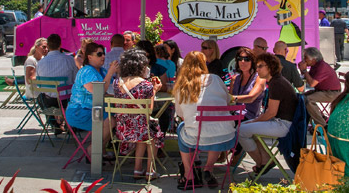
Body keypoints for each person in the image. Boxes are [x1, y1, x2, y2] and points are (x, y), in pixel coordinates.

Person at [174, 51, 236, 190]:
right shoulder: (215, 79)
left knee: (182, 128)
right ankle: (208, 169)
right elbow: (227, 101)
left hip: (196, 138)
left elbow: (180, 114)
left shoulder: (182, 86)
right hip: (227, 137)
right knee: (213, 128)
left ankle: (189, 175)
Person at [238, 53, 298, 175]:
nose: (257, 69)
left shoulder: (276, 83)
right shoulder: (276, 81)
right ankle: (266, 160)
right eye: (257, 66)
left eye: (260, 66)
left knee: (240, 130)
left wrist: (254, 121)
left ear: (270, 67)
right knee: (246, 128)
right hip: (282, 122)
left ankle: (262, 163)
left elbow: (271, 112)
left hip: (283, 125)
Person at [113, 48, 165, 180]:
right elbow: (149, 110)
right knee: (152, 130)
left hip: (123, 130)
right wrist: (154, 91)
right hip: (140, 130)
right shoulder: (145, 85)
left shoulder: (117, 82)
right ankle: (150, 170)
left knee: (144, 129)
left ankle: (137, 169)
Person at [66, 42, 118, 159]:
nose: (103, 57)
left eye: (103, 53)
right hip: (80, 111)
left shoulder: (101, 71)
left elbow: (106, 91)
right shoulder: (87, 72)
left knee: (116, 118)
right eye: (99, 54)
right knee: (110, 121)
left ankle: (100, 150)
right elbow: (99, 92)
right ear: (89, 57)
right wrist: (110, 72)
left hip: (96, 109)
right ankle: (94, 150)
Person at [298, 47, 341, 127]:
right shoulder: (315, 66)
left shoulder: (322, 67)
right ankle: (318, 119)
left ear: (313, 59)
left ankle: (322, 125)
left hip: (331, 93)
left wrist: (304, 71)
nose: (304, 60)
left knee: (308, 100)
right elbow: (308, 78)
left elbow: (312, 84)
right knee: (301, 98)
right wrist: (302, 70)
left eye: (306, 58)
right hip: (321, 91)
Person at [36, 33, 78, 109]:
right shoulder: (69, 60)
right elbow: (75, 80)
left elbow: (39, 85)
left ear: (48, 46)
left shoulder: (40, 63)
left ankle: (52, 119)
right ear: (60, 45)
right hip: (66, 100)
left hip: (48, 100)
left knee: (41, 97)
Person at [229, 47, 266, 121]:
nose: (243, 61)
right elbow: (229, 103)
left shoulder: (260, 78)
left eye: (247, 59)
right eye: (240, 58)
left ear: (252, 62)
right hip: (234, 116)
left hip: (249, 119)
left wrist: (232, 98)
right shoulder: (234, 79)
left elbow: (251, 98)